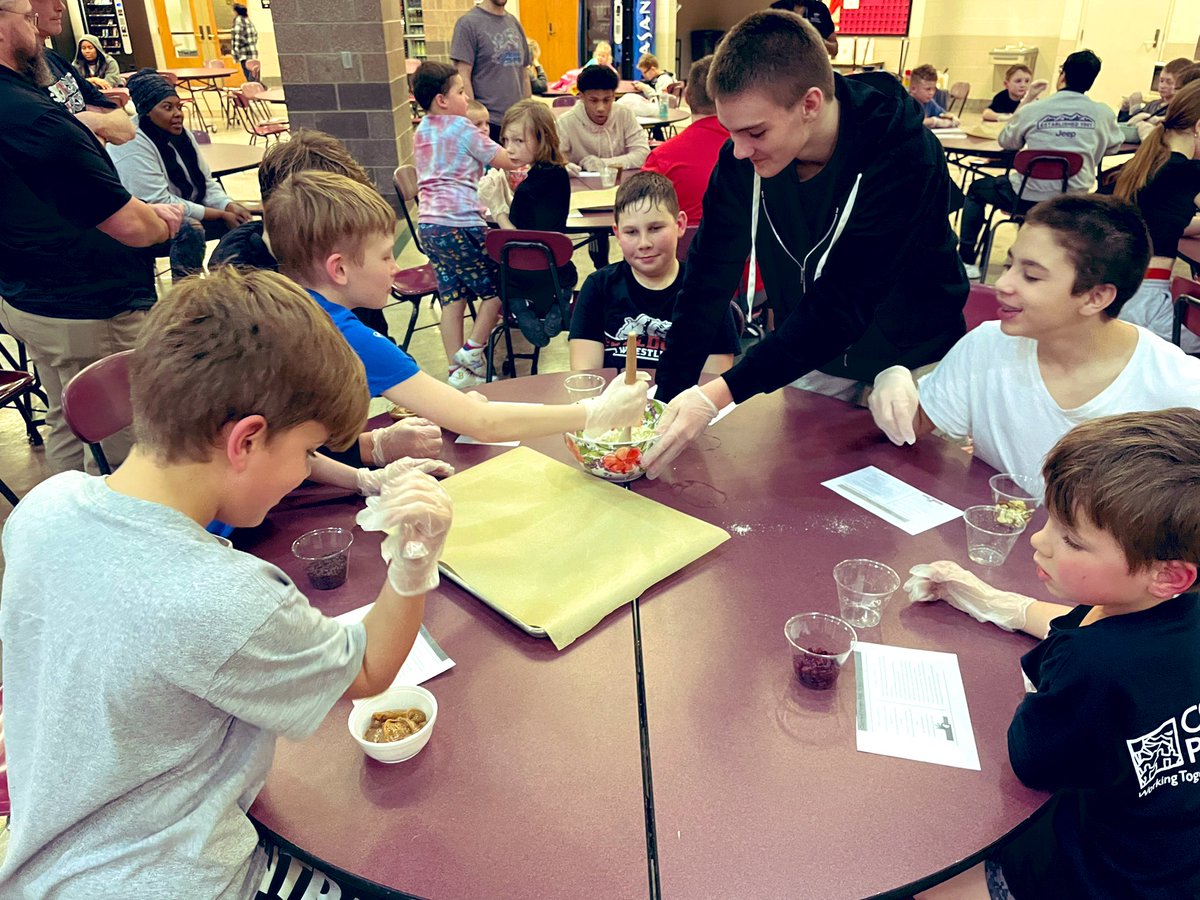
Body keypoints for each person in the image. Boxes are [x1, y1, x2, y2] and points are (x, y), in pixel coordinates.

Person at [0, 264, 454, 899]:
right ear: (246, 441)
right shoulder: (227, 596)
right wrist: (412, 563)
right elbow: (372, 670)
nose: (304, 473)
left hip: (46, 864)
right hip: (180, 880)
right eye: (305, 454)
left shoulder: (42, 510)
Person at [647, 11, 968, 479]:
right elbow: (707, 279)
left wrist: (715, 394)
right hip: (815, 357)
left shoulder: (905, 156)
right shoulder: (741, 158)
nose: (739, 150)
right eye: (730, 130)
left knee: (904, 511)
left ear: (811, 104)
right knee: (797, 496)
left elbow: (844, 302)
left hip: (912, 364)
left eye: (755, 132)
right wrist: (669, 396)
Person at [908, 408, 1200, 900]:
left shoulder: (1095, 659)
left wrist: (1074, 639)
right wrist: (999, 603)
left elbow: (1030, 761)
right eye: (1049, 519)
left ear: (1168, 576)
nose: (1039, 542)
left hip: (1101, 879)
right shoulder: (1172, 610)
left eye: (1070, 539)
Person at [267, 170, 650, 443]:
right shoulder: (343, 335)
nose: (396, 266)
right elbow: (482, 423)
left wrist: (363, 469)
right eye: (385, 257)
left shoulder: (283, 306)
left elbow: (292, 442)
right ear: (339, 269)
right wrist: (597, 413)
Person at [869, 195, 1200, 490]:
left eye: (1032, 276)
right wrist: (894, 385)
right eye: (1010, 263)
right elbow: (914, 426)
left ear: (1096, 296)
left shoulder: (1179, 390)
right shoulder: (988, 344)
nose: (1002, 283)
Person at [0, 1, 183, 474]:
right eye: (26, 16)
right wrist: (163, 220)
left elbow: (118, 120)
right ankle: (124, 540)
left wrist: (88, 122)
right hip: (88, 304)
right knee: (128, 441)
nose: (41, 23)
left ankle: (63, 526)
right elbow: (130, 225)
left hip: (34, 295)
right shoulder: (31, 117)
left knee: (66, 416)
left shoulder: (30, 93)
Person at [957, 50, 1123, 281]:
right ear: (1092, 80)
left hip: (1025, 195)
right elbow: (1114, 146)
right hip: (1073, 199)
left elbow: (1007, 141)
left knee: (976, 190)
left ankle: (966, 259)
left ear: (1062, 75)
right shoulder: (1103, 113)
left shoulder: (1033, 109)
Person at [412, 60, 519, 387]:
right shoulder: (461, 128)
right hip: (459, 224)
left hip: (429, 227)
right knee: (498, 287)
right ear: (442, 100)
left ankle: (457, 372)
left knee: (452, 299)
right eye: (460, 91)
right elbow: (505, 159)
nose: (465, 96)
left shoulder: (421, 131)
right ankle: (473, 350)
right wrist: (535, 149)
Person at [570, 172, 739, 373]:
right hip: (614, 403)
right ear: (617, 233)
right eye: (631, 232)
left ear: (680, 224)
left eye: (655, 228)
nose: (644, 244)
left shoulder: (707, 291)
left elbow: (711, 386)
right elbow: (586, 378)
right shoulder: (598, 288)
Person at [108, 69, 253, 278]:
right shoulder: (131, 141)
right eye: (167, 107)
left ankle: (229, 283)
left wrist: (228, 205)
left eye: (179, 106)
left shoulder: (180, 133)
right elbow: (159, 201)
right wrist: (220, 214)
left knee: (244, 226)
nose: (178, 114)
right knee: (190, 230)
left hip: (184, 209)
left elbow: (206, 183)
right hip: (147, 220)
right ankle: (187, 293)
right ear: (147, 111)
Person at [1111, 81, 1200, 351]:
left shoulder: (1143, 165)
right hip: (1146, 313)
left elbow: (1162, 221)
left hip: (1118, 298)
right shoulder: (1188, 173)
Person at [492, 99, 577, 346]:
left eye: (518, 141)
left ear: (543, 138)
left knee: (498, 269)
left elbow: (515, 237)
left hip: (520, 279)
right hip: (554, 274)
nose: (509, 148)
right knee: (565, 269)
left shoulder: (528, 188)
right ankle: (560, 300)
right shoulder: (559, 174)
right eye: (505, 140)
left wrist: (498, 209)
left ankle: (517, 306)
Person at [29, 0, 132, 144]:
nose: (61, 7)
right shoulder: (14, 80)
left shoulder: (55, 60)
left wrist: (91, 122)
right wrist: (99, 126)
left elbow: (125, 127)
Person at [643, 55, 727, 223]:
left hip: (680, 247)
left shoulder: (661, 158)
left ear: (687, 97)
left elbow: (641, 217)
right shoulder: (758, 154)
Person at [450, 0, 531, 142]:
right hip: (487, 124)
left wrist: (528, 114)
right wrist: (474, 121)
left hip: (517, 124)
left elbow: (524, 74)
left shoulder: (514, 23)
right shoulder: (468, 24)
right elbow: (463, 76)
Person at [557, 64, 650, 173]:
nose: (601, 108)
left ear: (614, 96)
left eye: (607, 100)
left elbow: (643, 154)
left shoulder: (624, 115)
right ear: (581, 96)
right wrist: (565, 166)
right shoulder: (566, 122)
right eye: (594, 100)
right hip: (581, 187)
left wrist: (604, 163)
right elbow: (556, 159)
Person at [768, 0, 837, 55]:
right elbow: (767, 44)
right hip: (783, 65)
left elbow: (834, 49)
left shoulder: (820, 8)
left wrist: (818, 41)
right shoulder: (777, 8)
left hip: (814, 66)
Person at [909, 63, 958, 129]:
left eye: (934, 89)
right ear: (913, 89)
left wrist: (951, 117)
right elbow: (912, 123)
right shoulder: (907, 103)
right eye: (928, 89)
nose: (932, 93)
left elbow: (942, 114)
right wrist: (934, 121)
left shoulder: (929, 102)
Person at [230, 2, 258, 83]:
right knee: (254, 75)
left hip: (244, 53)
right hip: (252, 52)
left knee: (249, 76)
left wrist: (235, 52)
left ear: (236, 12)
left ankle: (253, 92)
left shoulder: (239, 21)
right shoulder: (248, 21)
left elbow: (238, 38)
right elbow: (255, 35)